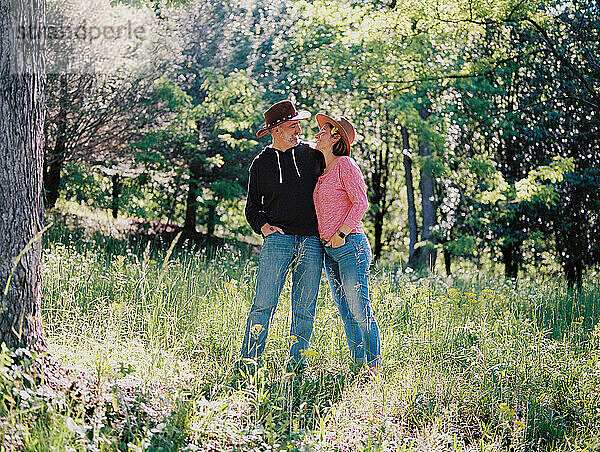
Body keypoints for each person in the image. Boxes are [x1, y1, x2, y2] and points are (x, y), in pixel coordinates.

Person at [239, 99, 325, 373]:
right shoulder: (260, 164)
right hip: (278, 241)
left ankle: (297, 367)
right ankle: (249, 365)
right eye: (292, 126)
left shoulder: (313, 155)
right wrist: (264, 228)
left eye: (299, 124)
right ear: (276, 130)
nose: (298, 130)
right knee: (263, 305)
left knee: (304, 310)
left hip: (311, 241)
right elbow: (251, 207)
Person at [312, 113, 382, 372]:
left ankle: (374, 369)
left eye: (323, 130)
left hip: (350, 245)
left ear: (336, 137)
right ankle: (358, 365)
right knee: (345, 311)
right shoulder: (324, 169)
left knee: (359, 308)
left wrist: (340, 234)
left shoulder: (345, 165)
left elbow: (361, 203)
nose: (317, 134)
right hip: (329, 252)